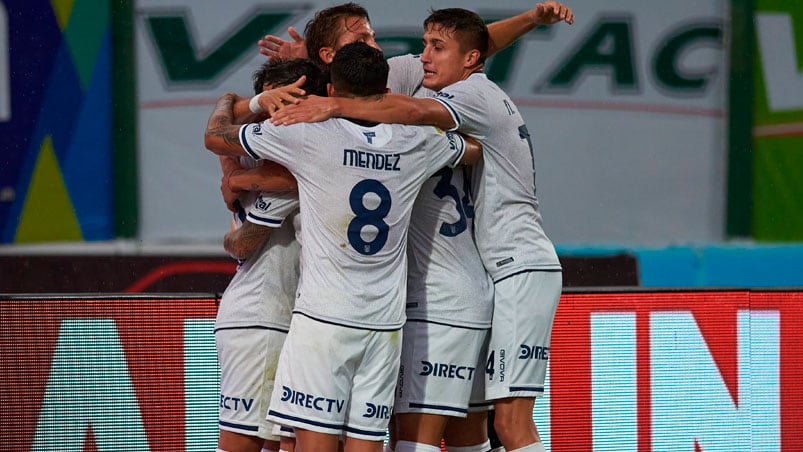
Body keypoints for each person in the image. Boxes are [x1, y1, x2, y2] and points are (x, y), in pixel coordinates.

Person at [268, 6, 574, 452]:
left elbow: (460, 56)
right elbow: (463, 48)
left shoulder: (439, 92)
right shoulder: (422, 90)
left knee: (494, 426)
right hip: (480, 276)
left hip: (474, 279)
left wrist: (328, 100)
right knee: (470, 429)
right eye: (362, 39)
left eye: (373, 36)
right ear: (331, 55)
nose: (378, 47)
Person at [204, 42, 482, 452]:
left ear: (329, 93)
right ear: (387, 94)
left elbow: (216, 137)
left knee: (309, 443)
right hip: (385, 324)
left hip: (324, 318)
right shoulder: (417, 141)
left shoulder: (308, 134)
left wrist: (233, 102)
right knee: (364, 445)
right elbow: (474, 148)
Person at [214, 58, 325, 452]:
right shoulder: (286, 169)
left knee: (287, 444)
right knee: (241, 443)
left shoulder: (253, 160)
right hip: (261, 318)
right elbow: (244, 243)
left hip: (286, 318)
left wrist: (236, 178)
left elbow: (218, 139)